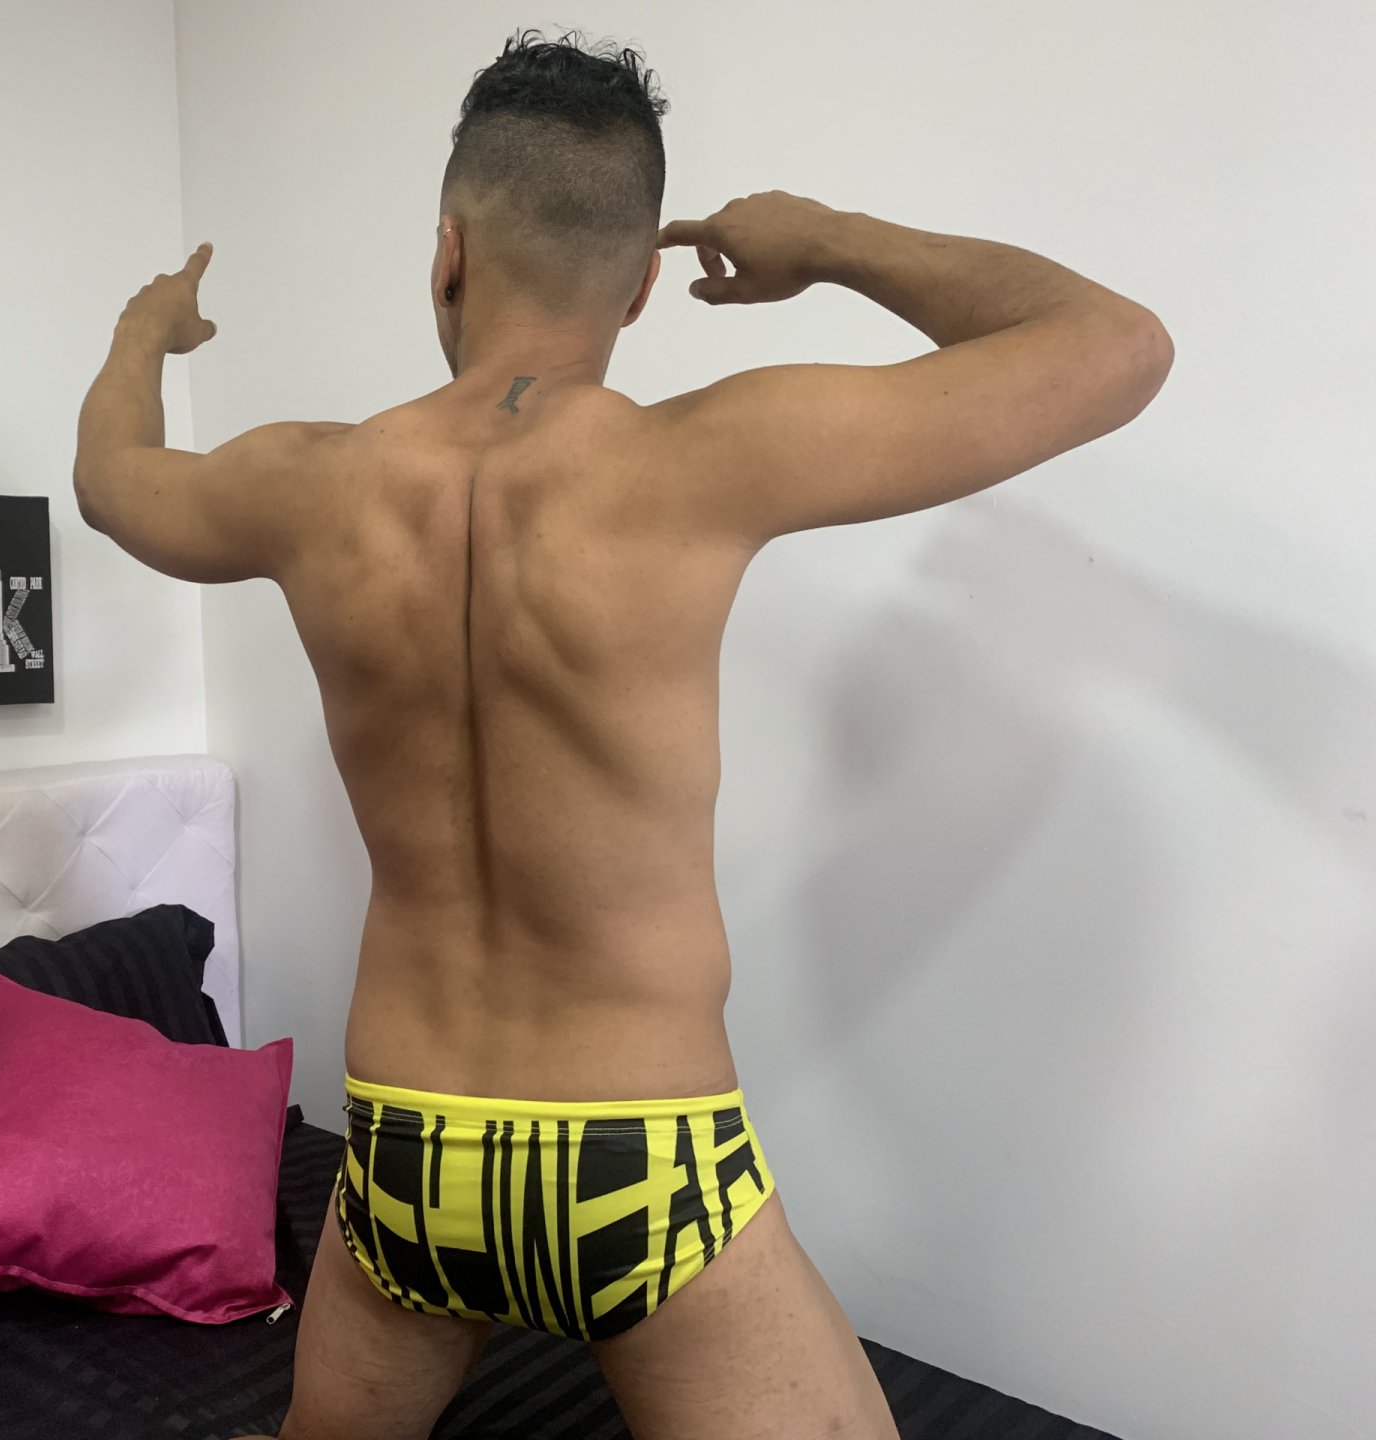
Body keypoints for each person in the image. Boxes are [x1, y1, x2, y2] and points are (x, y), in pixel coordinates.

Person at [72, 28, 1171, 1440]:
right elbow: (1117, 347)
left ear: (448, 254)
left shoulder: (306, 481)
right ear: (646, 283)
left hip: (407, 1149)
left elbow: (112, 479)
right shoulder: (706, 455)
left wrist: (146, 330)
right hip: (639, 1153)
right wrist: (826, 240)